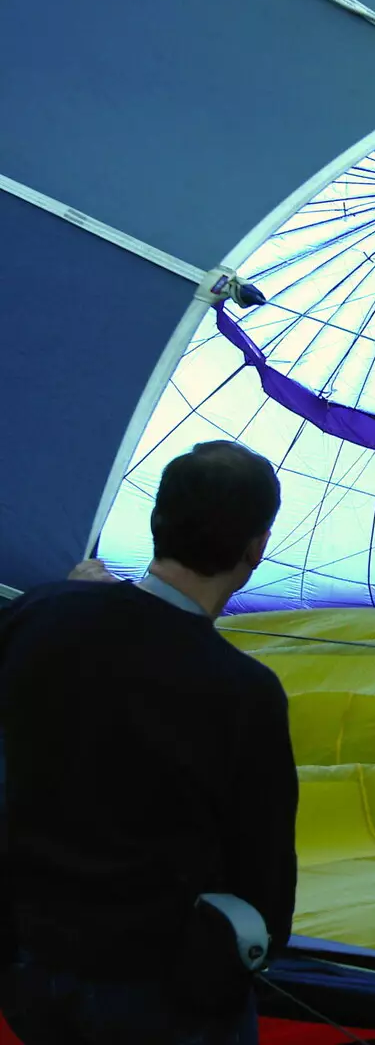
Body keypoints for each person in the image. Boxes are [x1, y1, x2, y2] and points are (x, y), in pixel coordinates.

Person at [0, 441, 299, 1044]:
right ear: (255, 548)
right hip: (156, 993)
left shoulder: (35, 615)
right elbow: (266, 886)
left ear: (157, 522)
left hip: (28, 968)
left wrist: (81, 597)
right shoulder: (244, 691)